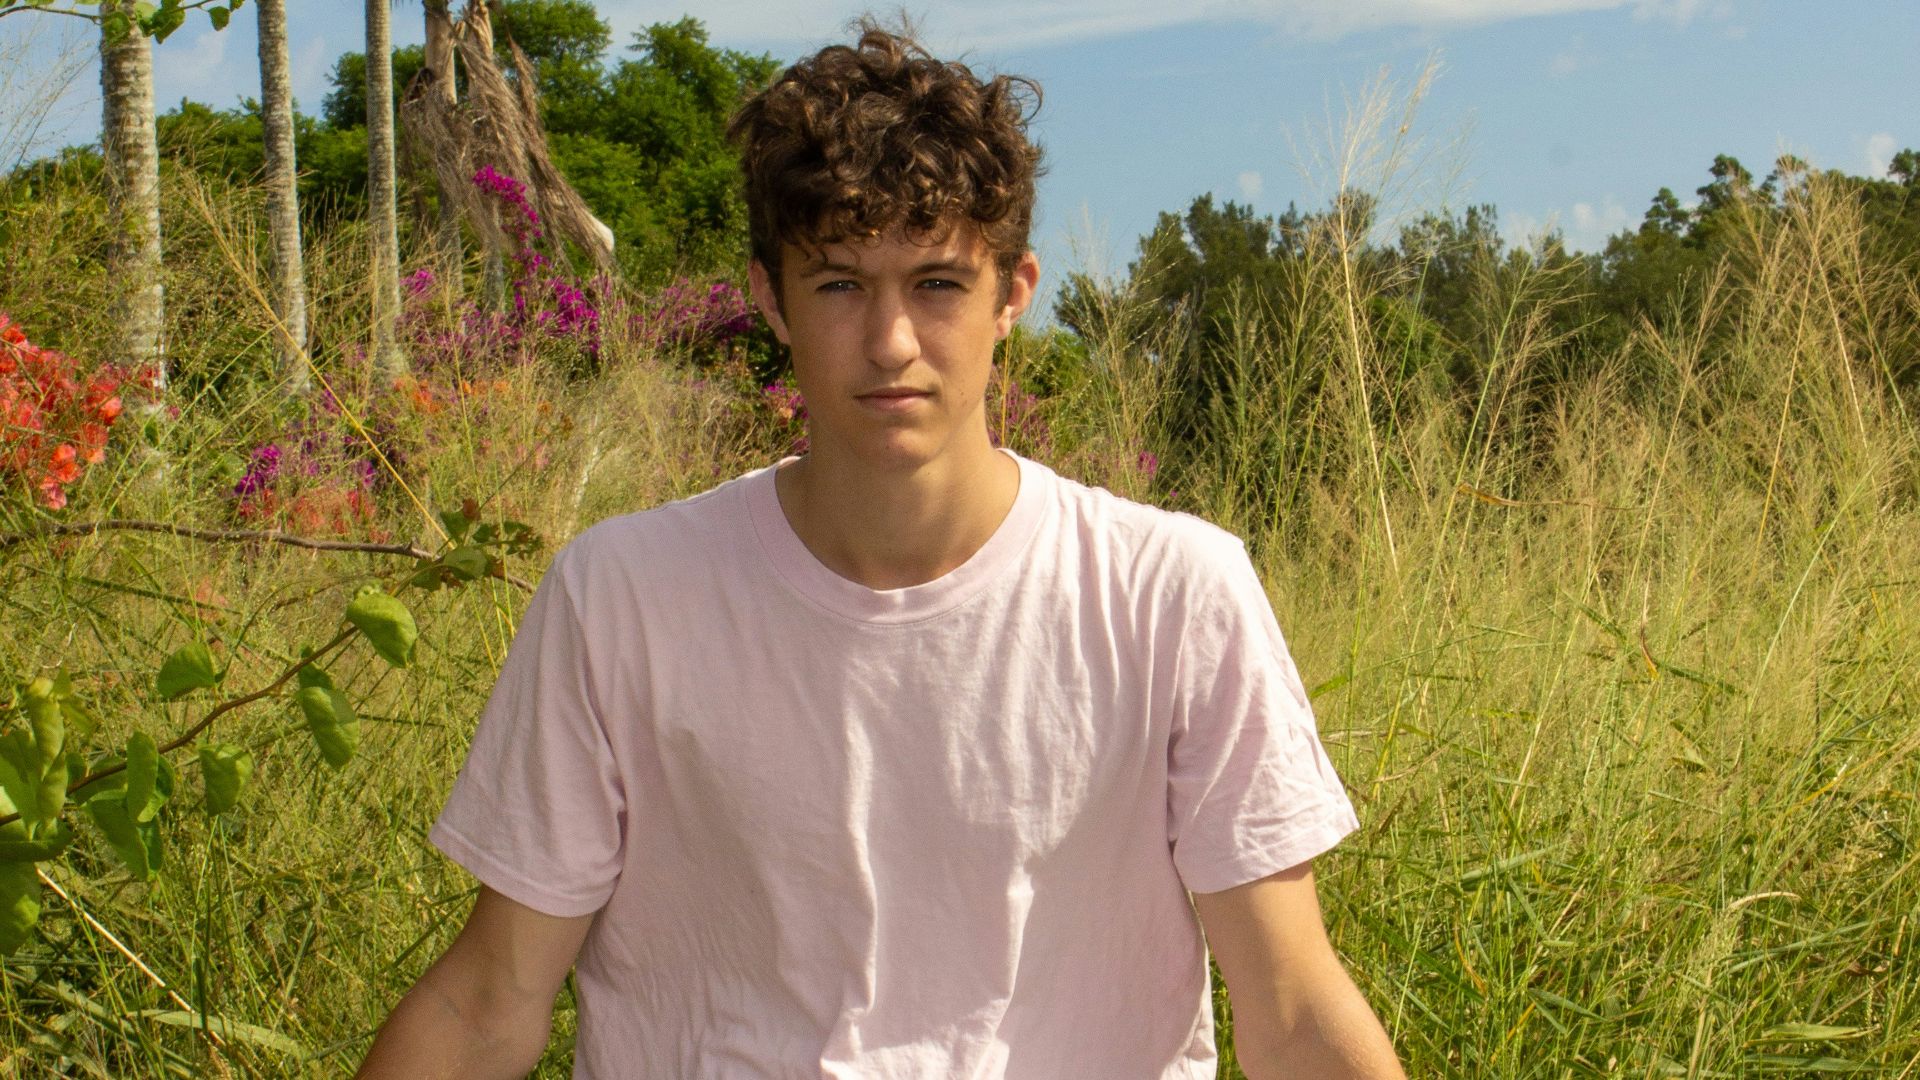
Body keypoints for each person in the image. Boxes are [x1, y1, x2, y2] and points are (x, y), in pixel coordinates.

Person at [357, 22, 1405, 1080]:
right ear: (769, 297)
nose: (891, 342)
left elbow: (1291, 1008)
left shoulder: (1170, 594)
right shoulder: (621, 597)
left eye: (938, 284)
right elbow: (489, 1000)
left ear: (1014, 294)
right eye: (839, 285)